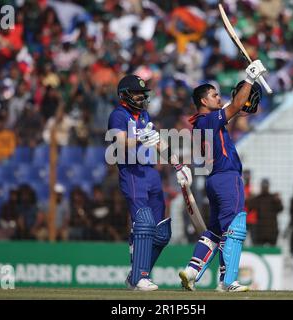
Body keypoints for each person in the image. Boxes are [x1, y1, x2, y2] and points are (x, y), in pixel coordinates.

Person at [178, 60, 267, 292]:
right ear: (203, 102)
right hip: (227, 178)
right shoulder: (208, 119)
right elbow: (236, 105)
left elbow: (235, 106)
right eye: (215, 95)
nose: (219, 98)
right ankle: (228, 282)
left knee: (215, 232)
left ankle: (192, 271)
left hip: (214, 180)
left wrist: (243, 94)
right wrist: (250, 77)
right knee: (234, 228)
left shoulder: (202, 123)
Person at [107, 74, 191, 291]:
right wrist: (141, 138)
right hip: (132, 173)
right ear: (125, 95)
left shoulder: (143, 115)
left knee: (161, 232)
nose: (142, 97)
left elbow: (157, 141)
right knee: (143, 223)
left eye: (143, 94)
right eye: (137, 93)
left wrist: (177, 165)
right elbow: (119, 142)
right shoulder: (119, 115)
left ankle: (135, 275)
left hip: (151, 173)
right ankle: (140, 277)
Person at [247, 178, 283, 246]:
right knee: (259, 250)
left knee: (272, 253)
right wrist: (250, 198)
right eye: (263, 186)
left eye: (265, 186)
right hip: (260, 231)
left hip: (272, 231)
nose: (264, 188)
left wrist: (278, 201)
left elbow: (280, 209)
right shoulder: (258, 198)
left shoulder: (273, 198)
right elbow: (249, 207)